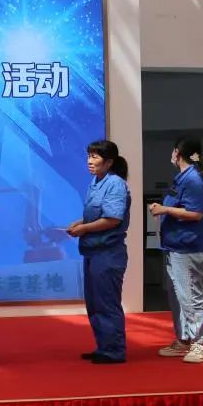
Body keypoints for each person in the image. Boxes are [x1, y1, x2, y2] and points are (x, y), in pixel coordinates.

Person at [149, 136, 203, 364]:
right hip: (174, 246)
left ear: (177, 152)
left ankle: (200, 345)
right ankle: (184, 340)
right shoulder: (182, 178)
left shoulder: (193, 179)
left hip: (187, 247)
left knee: (191, 296)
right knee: (178, 296)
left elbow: (195, 213)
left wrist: (164, 209)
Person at [68, 140, 131, 364]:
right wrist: (79, 223)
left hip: (108, 253)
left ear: (109, 162)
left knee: (107, 303)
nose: (89, 161)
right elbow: (95, 215)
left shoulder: (115, 184)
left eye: (95, 157)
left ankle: (114, 350)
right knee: (94, 303)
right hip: (93, 251)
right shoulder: (96, 182)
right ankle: (103, 346)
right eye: (89, 156)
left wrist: (84, 229)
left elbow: (112, 219)